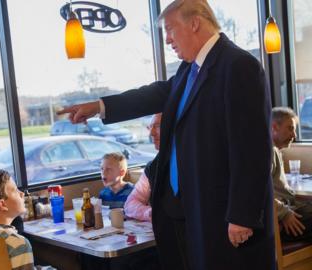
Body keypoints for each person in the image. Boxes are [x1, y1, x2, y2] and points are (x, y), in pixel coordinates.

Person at [58, 1, 274, 269]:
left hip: (222, 212)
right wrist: (100, 106)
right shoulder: (188, 70)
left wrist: (243, 215)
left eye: (170, 30)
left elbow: (252, 150)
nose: (168, 40)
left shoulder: (239, 65)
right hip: (185, 212)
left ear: (195, 23)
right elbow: (152, 94)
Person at [271, 107, 312, 241]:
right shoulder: (268, 152)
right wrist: (284, 214)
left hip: (289, 208)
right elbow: (259, 193)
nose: (294, 135)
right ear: (274, 127)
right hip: (280, 222)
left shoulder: (276, 150)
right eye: (290, 128)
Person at [124, 113, 162, 221]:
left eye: (158, 126)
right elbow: (130, 204)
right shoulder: (153, 167)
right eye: (150, 127)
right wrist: (150, 213)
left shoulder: (190, 162)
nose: (151, 133)